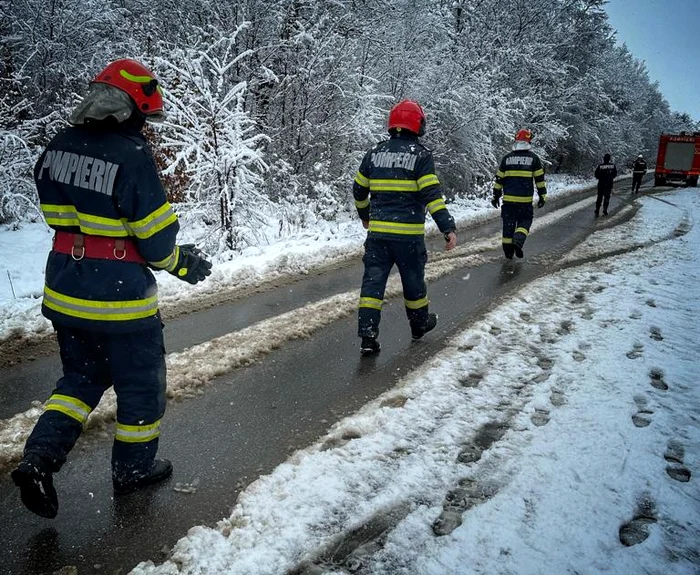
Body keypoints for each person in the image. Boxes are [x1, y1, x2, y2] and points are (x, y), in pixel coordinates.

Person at [11, 59, 212, 518]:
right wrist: (185, 265)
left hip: (65, 290)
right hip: (120, 301)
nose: (147, 127)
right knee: (141, 387)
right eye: (146, 118)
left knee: (79, 381)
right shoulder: (132, 157)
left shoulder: (56, 147)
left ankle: (38, 460)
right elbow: (158, 244)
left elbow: (65, 219)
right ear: (132, 109)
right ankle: (132, 472)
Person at [352, 100, 457, 356]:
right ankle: (419, 325)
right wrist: (447, 227)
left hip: (377, 236)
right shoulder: (421, 156)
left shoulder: (374, 153)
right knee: (413, 282)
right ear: (417, 124)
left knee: (372, 285)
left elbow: (358, 189)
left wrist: (365, 215)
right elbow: (432, 195)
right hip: (408, 238)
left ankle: (367, 334)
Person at [491, 129, 547, 259]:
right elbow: (539, 180)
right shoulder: (533, 159)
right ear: (528, 142)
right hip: (524, 202)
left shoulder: (507, 158)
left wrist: (495, 196)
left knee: (508, 226)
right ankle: (518, 241)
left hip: (508, 202)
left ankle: (508, 252)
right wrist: (542, 196)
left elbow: (499, 179)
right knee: (525, 221)